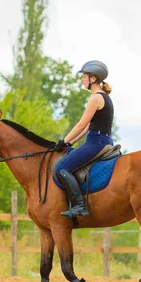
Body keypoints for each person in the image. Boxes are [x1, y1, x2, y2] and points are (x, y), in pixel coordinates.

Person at [54, 60, 114, 218]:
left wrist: (63, 140)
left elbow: (81, 125)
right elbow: (88, 128)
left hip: (96, 142)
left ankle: (80, 205)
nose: (82, 79)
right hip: (103, 140)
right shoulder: (105, 97)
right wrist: (70, 143)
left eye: (84, 76)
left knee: (62, 168)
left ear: (93, 79)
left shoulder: (95, 98)